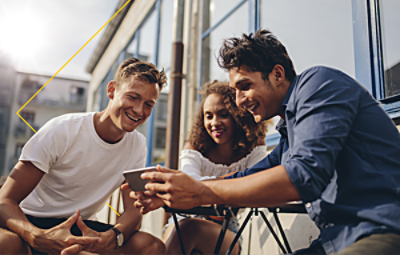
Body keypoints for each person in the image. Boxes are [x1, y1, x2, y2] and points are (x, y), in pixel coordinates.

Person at [132, 29, 400, 255]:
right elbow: (250, 175)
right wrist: (177, 193)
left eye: (244, 86)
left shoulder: (318, 83)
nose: (238, 101)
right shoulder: (291, 130)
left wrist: (200, 192)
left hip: (383, 229)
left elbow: (303, 176)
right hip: (334, 241)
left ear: (277, 74)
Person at [0, 57, 167, 255]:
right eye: (133, 97)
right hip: (30, 221)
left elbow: (133, 210)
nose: (140, 110)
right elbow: (5, 201)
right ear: (112, 90)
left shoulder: (138, 144)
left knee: (151, 246)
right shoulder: (63, 130)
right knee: (5, 244)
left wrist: (114, 235)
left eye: (149, 104)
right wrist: (36, 237)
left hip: (80, 227)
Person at [161, 81, 268, 255]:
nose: (214, 123)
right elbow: (188, 185)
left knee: (189, 229)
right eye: (208, 116)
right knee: (186, 227)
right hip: (182, 219)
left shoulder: (254, 144)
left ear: (239, 115)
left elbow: (259, 181)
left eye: (223, 114)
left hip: (226, 227)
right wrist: (239, 181)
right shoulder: (194, 147)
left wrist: (205, 188)